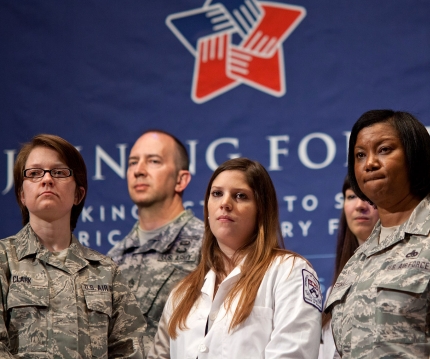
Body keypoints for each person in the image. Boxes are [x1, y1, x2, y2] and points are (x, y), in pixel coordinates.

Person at [325, 110, 430, 358]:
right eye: (360, 155)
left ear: (415, 156)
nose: (370, 163)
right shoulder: (360, 257)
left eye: (384, 150)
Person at [148, 158, 322, 359]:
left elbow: (294, 354)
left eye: (240, 196)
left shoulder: (288, 271)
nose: (225, 203)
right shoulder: (181, 293)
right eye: (217, 194)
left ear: (262, 210)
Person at [0, 134, 146, 358]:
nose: (47, 179)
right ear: (22, 195)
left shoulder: (106, 271)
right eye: (34, 173)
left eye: (59, 172)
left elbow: (130, 350)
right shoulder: (3, 259)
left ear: (78, 194)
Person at [107, 130, 204, 354]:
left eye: (153, 161)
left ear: (181, 180)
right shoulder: (112, 258)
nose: (139, 171)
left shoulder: (208, 245)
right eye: (133, 163)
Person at [319, 175, 380, 359]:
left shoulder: (401, 275)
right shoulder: (334, 292)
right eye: (351, 196)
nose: (360, 205)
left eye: (369, 198)